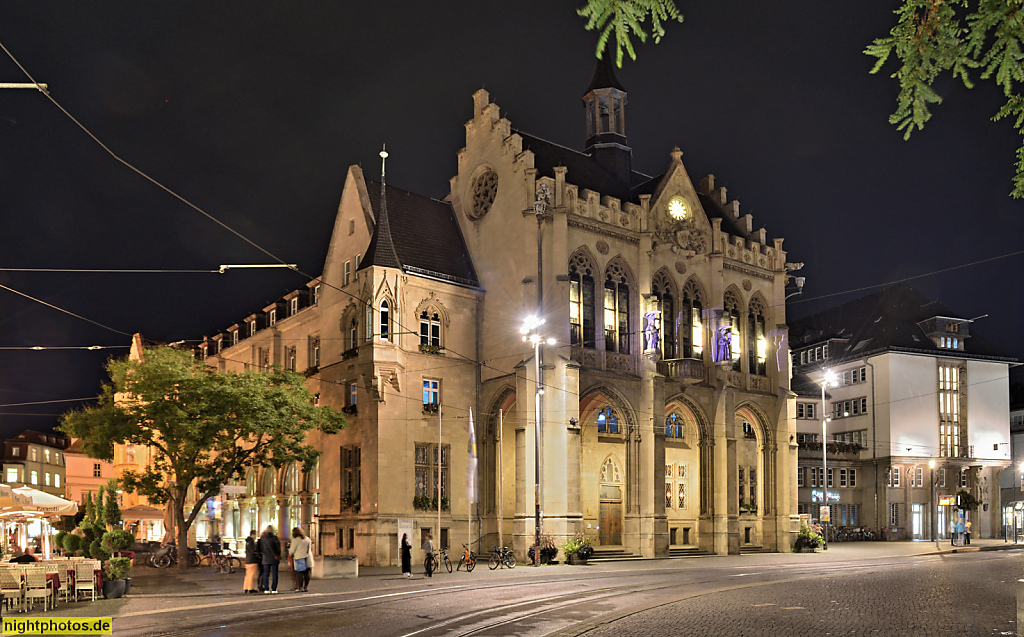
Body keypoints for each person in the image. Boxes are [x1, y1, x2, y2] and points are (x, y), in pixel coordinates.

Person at [289, 527, 312, 592]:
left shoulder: (295, 540)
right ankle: (306, 587)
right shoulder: (307, 539)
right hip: (308, 557)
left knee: (300, 573)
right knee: (307, 573)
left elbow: (291, 551)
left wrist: (290, 553)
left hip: (299, 557)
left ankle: (300, 587)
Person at [259, 525, 281, 594]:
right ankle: (274, 589)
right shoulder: (275, 538)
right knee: (275, 574)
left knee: (266, 574)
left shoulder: (262, 538)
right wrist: (278, 555)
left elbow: (260, 548)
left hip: (265, 558)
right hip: (274, 558)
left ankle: (266, 589)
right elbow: (278, 548)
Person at [243, 530, 261, 594]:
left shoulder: (248, 541)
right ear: (253, 534)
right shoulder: (251, 542)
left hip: (248, 560)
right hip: (252, 560)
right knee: (252, 575)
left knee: (248, 574)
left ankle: (246, 587)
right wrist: (258, 556)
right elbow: (253, 551)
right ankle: (250, 588)